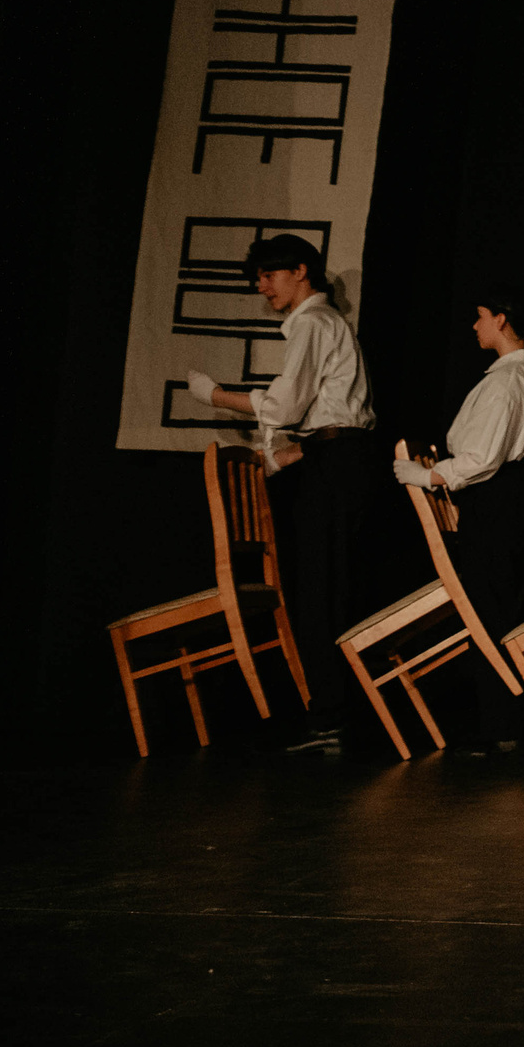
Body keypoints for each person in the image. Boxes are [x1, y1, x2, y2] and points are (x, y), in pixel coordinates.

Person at [184, 232, 377, 754]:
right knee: (326, 585)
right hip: (336, 461)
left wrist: (216, 396)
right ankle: (335, 715)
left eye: (269, 275)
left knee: (323, 590)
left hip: (338, 466)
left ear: (300, 271)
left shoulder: (314, 321)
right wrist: (291, 455)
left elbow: (289, 406)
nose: (261, 288)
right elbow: (332, 416)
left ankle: (332, 719)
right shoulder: (324, 324)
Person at [390, 292, 524, 754]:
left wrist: (428, 475)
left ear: (502, 319)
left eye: (481, 317)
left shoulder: (510, 380)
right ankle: (506, 722)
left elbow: (482, 457)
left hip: (500, 501)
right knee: (501, 607)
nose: (474, 326)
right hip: (517, 500)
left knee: (492, 611)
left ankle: (501, 725)